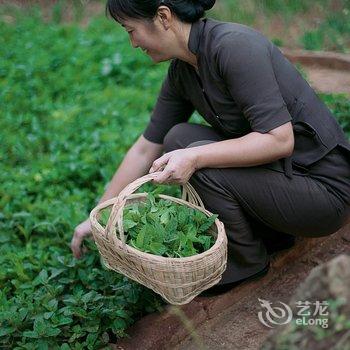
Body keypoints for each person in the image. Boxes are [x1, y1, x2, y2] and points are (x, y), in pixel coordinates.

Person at [71, 0, 350, 296]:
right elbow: (146, 147)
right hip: (282, 179)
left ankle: (246, 261)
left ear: (163, 16)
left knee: (195, 156)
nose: (132, 43)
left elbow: (280, 140)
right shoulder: (184, 71)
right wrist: (100, 214)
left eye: (131, 30)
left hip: (324, 192)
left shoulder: (234, 47)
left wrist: (195, 156)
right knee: (178, 137)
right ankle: (270, 236)